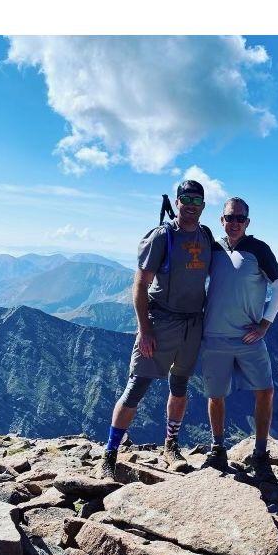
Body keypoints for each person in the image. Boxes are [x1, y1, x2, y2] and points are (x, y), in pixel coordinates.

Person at [98, 180, 212, 479]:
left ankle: (170, 446)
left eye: (196, 200)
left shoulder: (206, 235)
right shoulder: (163, 236)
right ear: (176, 202)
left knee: (180, 385)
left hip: (192, 323)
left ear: (203, 205)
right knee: (137, 386)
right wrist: (145, 329)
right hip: (161, 323)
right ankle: (109, 453)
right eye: (185, 199)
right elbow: (139, 284)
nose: (190, 205)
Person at [200, 197, 278, 481]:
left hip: (248, 337)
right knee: (216, 395)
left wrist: (265, 324)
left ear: (247, 222)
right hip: (214, 336)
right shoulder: (213, 249)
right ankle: (217, 449)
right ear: (221, 220)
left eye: (240, 218)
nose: (234, 222)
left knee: (265, 391)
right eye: (230, 217)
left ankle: (260, 454)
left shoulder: (258, 249)